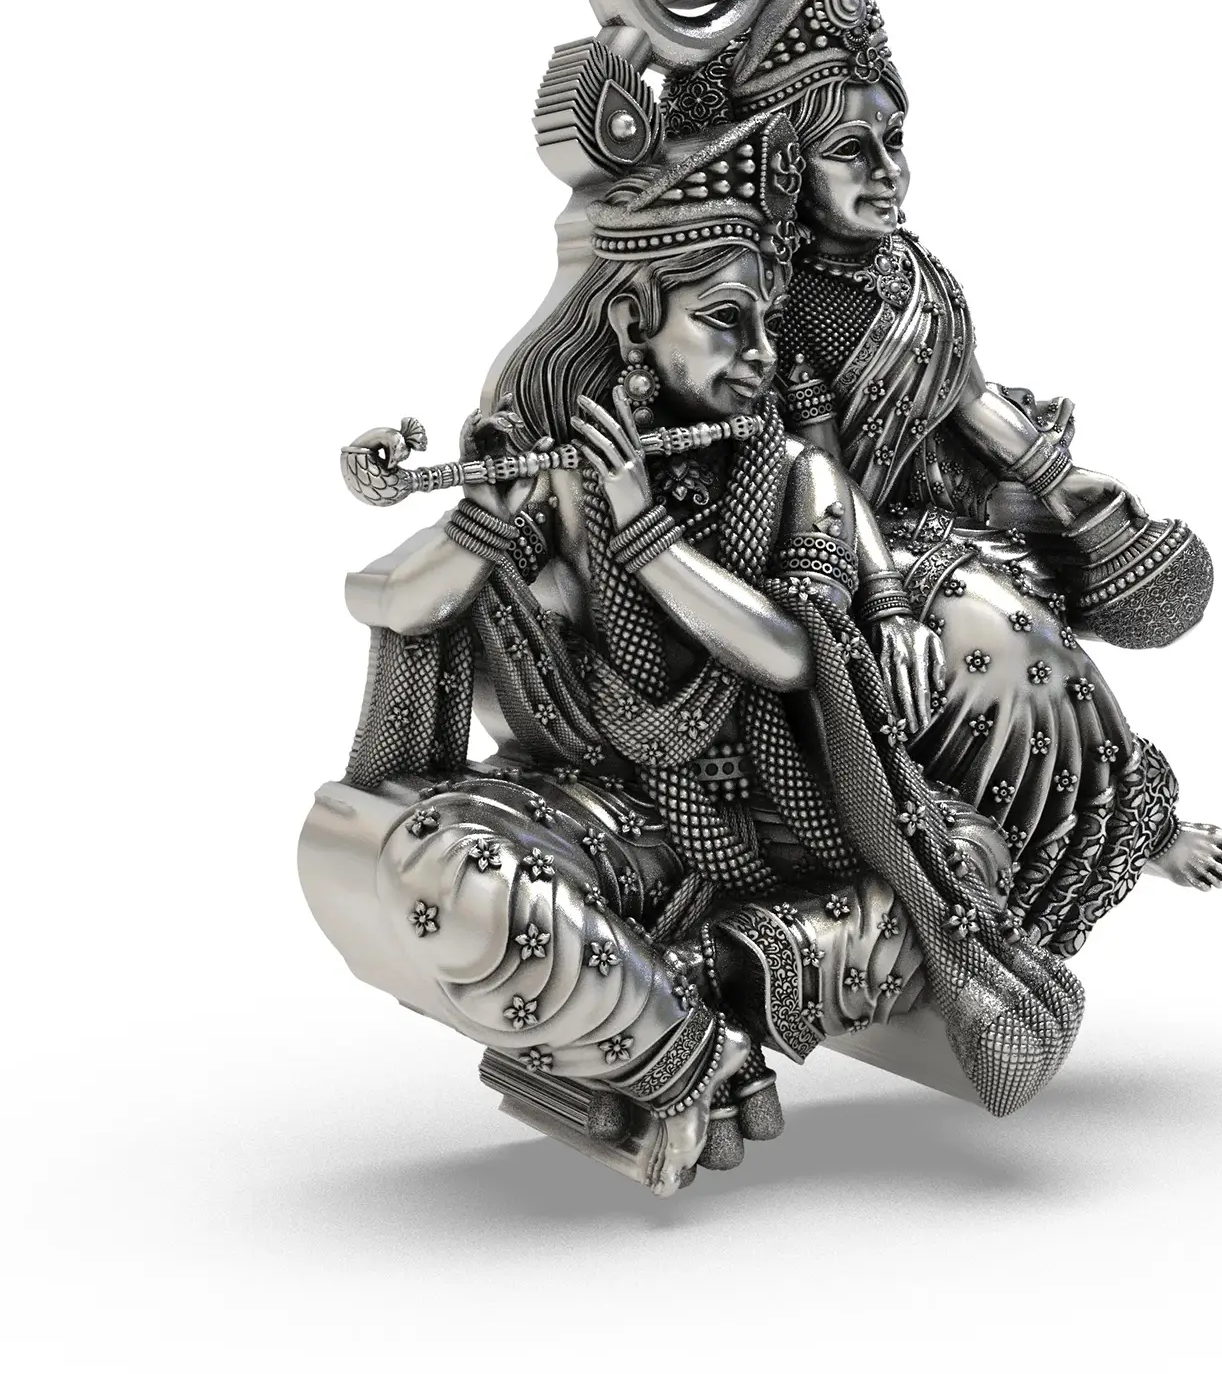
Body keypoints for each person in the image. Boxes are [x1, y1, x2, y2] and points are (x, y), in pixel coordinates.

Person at [338, 112, 1082, 1193]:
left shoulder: (792, 474)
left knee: (966, 869)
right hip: (624, 822)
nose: (763, 356)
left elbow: (789, 653)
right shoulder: (562, 470)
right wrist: (477, 522)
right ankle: (690, 1053)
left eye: (769, 325)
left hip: (792, 826)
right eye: (728, 323)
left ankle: (661, 992)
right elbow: (383, 600)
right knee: (435, 866)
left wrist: (644, 531)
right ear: (634, 321)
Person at [660, 0, 1222, 959]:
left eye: (893, 142)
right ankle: (976, 886)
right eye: (850, 152)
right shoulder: (778, 300)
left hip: (934, 503)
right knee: (1012, 653)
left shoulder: (917, 273)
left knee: (1043, 602)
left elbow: (971, 399)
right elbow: (813, 473)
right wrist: (887, 599)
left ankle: (1123, 830)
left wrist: (1065, 489)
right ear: (788, 168)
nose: (885, 171)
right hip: (839, 540)